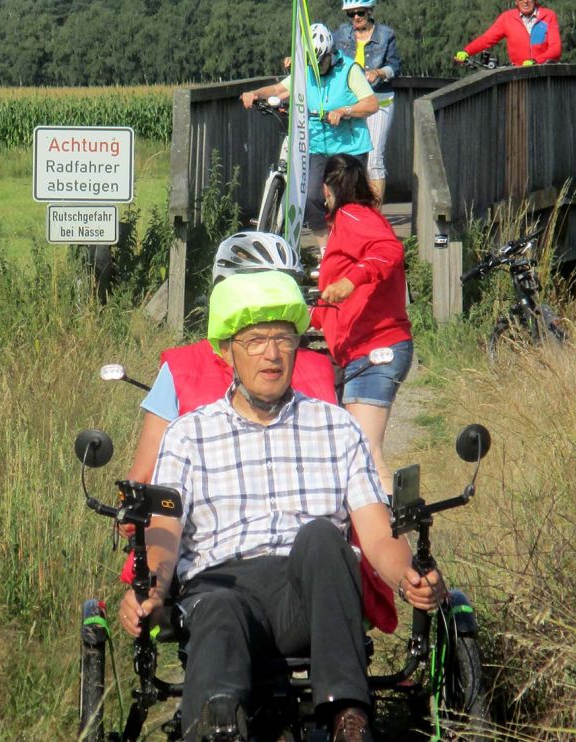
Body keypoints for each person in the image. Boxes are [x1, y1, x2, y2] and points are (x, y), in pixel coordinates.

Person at [117, 271, 446, 742]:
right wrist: (153, 587)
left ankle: (348, 718)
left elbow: (375, 533)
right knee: (219, 608)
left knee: (320, 535)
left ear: (297, 345)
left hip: (307, 594)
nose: (271, 354)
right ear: (227, 351)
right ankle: (220, 725)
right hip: (220, 589)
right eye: (254, 341)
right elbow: (164, 532)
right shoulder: (188, 435)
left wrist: (408, 577)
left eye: (283, 339)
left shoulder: (336, 427)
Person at [123, 231, 400, 635]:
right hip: (216, 560)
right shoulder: (307, 367)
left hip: (300, 559)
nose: (270, 350)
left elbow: (335, 460)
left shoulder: (190, 369)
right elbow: (151, 487)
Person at [312, 154, 412, 495]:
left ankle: (389, 539)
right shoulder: (351, 220)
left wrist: (352, 280)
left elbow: (389, 251)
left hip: (376, 348)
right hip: (359, 351)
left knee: (367, 454)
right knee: (353, 454)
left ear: (327, 188)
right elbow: (333, 301)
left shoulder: (352, 215)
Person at [240, 23, 379, 242]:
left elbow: (371, 104)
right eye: (312, 63)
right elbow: (279, 90)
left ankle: (356, 244)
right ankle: (325, 250)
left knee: (346, 201)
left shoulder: (349, 70)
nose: (317, 68)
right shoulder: (305, 71)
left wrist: (345, 110)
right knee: (312, 196)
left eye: (321, 62)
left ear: (329, 54)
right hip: (317, 145)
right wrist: (254, 93)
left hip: (348, 147)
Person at [332, 0, 401, 202]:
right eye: (350, 14)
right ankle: (349, 209)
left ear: (369, 11)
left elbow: (395, 67)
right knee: (346, 159)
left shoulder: (386, 35)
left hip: (379, 101)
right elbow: (325, 54)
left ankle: (374, 214)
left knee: (374, 161)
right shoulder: (341, 34)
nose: (355, 18)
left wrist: (379, 72)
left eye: (359, 12)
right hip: (351, 104)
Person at [454, 0, 562, 67]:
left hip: (545, 75)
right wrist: (467, 51)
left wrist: (535, 61)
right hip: (518, 76)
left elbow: (555, 49)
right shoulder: (507, 18)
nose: (525, 1)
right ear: (516, 1)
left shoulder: (548, 16)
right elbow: (487, 39)